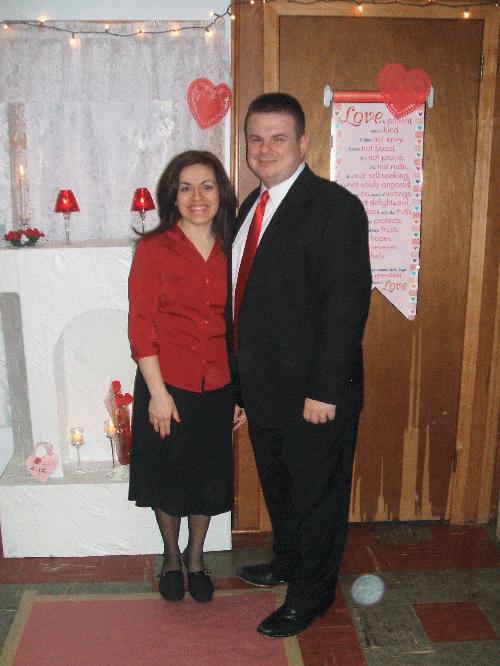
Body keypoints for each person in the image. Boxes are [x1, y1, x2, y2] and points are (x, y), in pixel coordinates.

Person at [231, 93, 372, 637]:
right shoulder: (251, 205)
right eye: (256, 139)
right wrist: (239, 386)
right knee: (281, 487)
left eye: (278, 138)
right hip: (264, 387)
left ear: (304, 143)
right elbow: (245, 299)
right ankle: (288, 561)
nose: (265, 149)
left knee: (317, 498)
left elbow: (346, 305)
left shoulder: (335, 207)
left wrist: (325, 389)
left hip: (314, 392)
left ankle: (311, 596)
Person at [128, 150, 246, 604]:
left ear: (221, 193)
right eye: (186, 187)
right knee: (169, 478)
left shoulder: (234, 249)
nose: (198, 197)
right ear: (172, 196)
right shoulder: (154, 249)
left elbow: (240, 326)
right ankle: (171, 557)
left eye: (207, 186)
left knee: (206, 479)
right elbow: (141, 326)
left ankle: (196, 558)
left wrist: (241, 393)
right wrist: (157, 395)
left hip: (217, 386)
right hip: (167, 384)